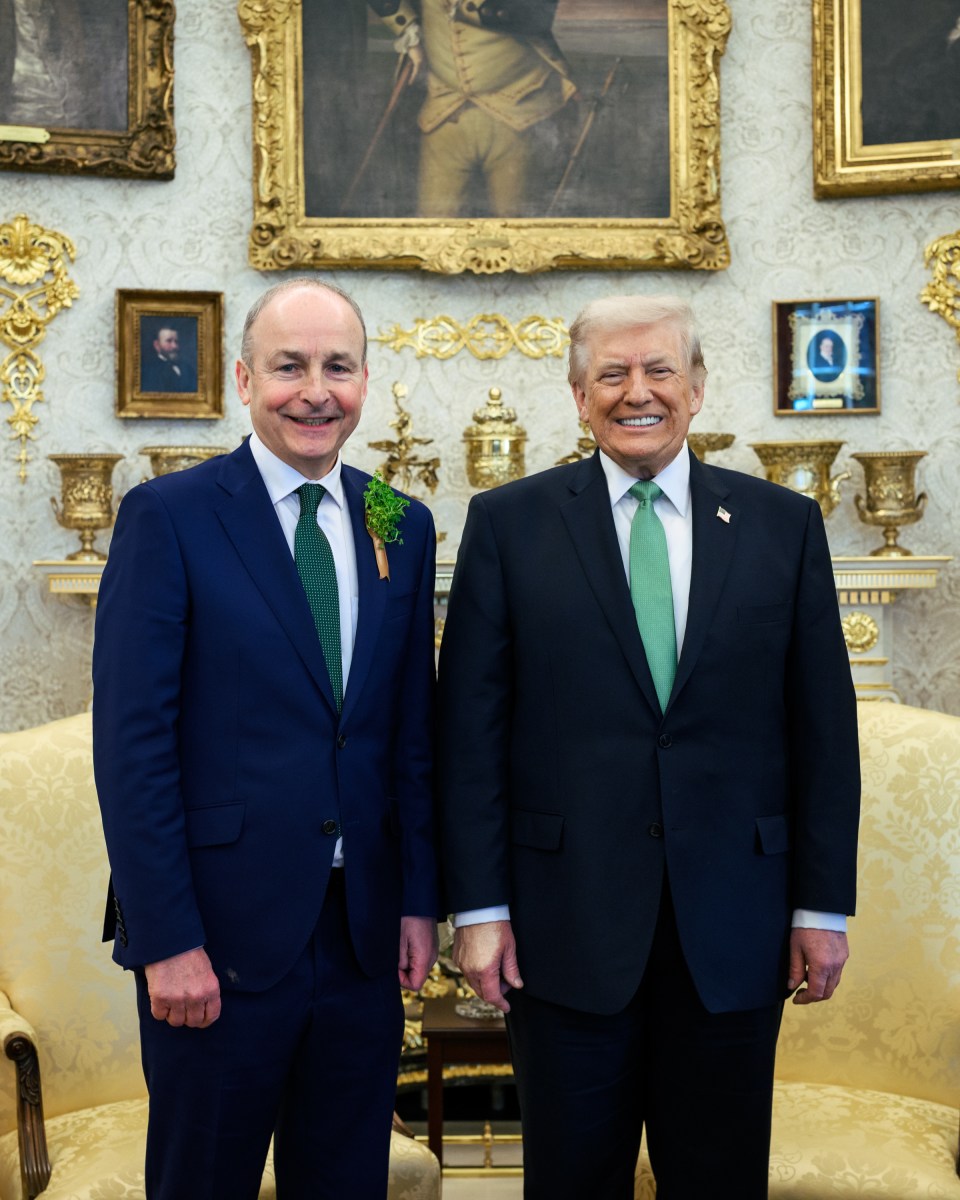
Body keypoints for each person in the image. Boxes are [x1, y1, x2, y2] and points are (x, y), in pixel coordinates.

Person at [436, 294, 860, 1198]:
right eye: (613, 375)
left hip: (736, 929)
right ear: (579, 396)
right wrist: (478, 910)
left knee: (719, 1180)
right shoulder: (509, 525)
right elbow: (469, 735)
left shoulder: (783, 525)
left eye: (660, 370)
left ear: (698, 388)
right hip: (563, 926)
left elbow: (823, 730)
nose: (639, 392)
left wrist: (822, 908)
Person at [93, 278, 440, 1199]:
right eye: (289, 367)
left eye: (337, 367)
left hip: (360, 936)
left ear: (366, 380)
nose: (314, 391)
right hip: (216, 939)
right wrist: (166, 939)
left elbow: (408, 735)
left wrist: (417, 900)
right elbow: (134, 749)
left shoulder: (401, 524)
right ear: (245, 380)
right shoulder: (168, 517)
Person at [370, 0, 576, 217]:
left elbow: (531, 16)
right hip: (444, 110)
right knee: (435, 226)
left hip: (520, 109)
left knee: (516, 224)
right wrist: (409, 31)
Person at [140, 324, 196, 393]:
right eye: (169, 341)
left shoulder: (187, 368)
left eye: (176, 341)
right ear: (157, 345)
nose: (175, 346)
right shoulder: (148, 371)